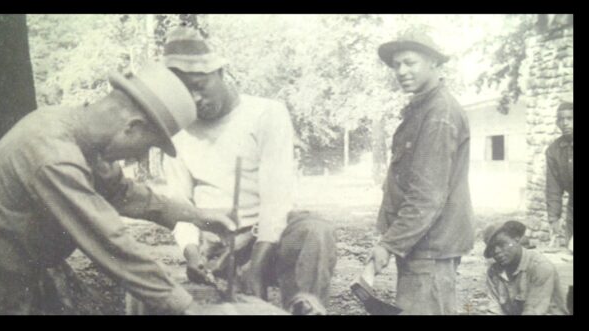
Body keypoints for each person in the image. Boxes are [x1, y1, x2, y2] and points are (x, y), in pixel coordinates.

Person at [0, 62, 237, 315]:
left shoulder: (81, 138)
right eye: (150, 145)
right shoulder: (54, 156)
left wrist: (198, 217)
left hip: (18, 273)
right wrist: (187, 307)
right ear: (132, 127)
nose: (143, 153)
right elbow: (107, 238)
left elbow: (123, 193)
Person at [158, 26, 337, 315]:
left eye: (199, 86)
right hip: (217, 245)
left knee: (315, 231)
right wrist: (191, 252)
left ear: (220, 73)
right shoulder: (177, 131)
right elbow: (179, 204)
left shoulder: (266, 113)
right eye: (183, 93)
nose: (195, 100)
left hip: (269, 238)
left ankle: (306, 307)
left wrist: (258, 262)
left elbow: (276, 198)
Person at [360, 28, 474, 315]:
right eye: (396, 65)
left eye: (410, 62)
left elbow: (427, 196)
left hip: (430, 248)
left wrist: (389, 245)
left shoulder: (439, 114)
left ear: (434, 62)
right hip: (420, 244)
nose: (401, 71)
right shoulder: (421, 109)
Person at [483, 221, 570, 315]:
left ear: (516, 239)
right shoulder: (494, 272)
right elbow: (494, 310)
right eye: (492, 248)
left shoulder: (540, 267)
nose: (497, 251)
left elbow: (533, 311)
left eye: (501, 244)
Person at [546, 96, 573, 246]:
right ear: (557, 123)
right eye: (562, 119)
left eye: (570, 118)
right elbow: (553, 188)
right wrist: (553, 219)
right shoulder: (553, 150)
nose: (566, 123)